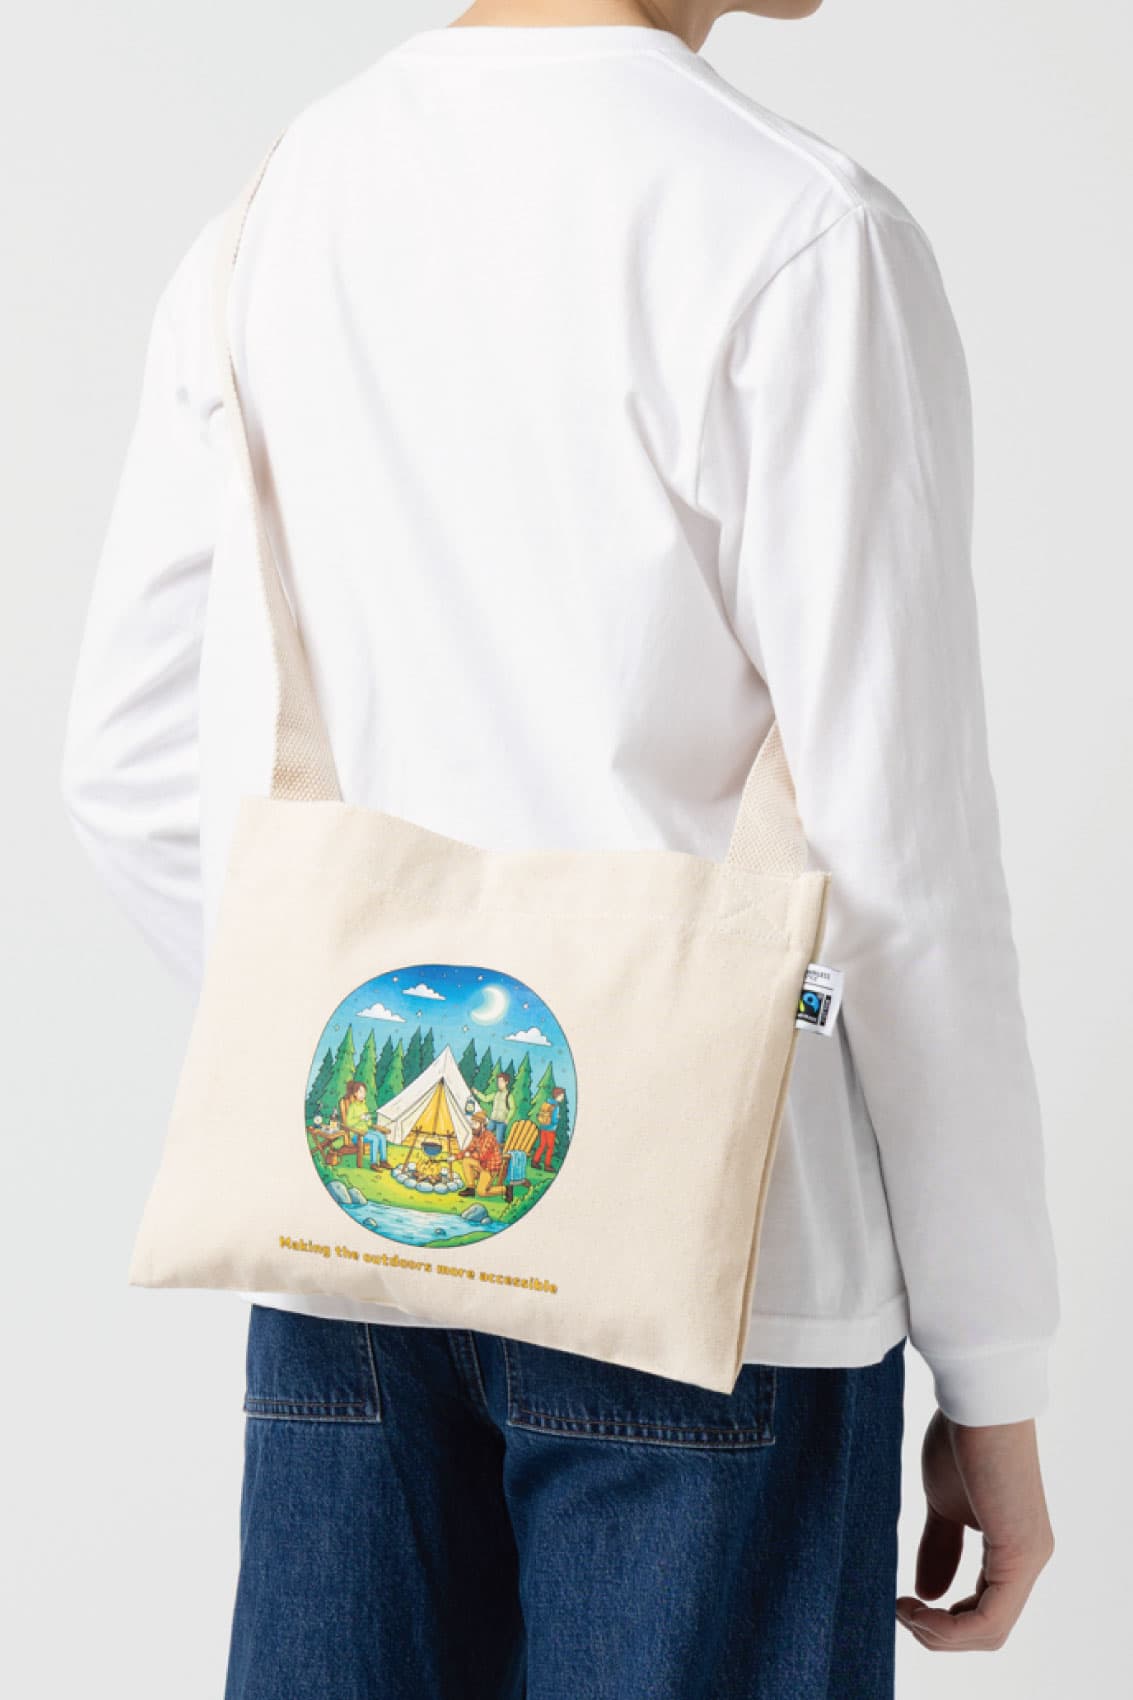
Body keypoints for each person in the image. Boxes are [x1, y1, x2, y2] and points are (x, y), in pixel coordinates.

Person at [60, 2, 1058, 1695]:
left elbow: (121, 767)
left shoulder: (277, 206)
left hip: (351, 1246)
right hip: (723, 1267)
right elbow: (900, 873)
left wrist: (351, 1042)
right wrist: (994, 1369)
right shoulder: (797, 231)